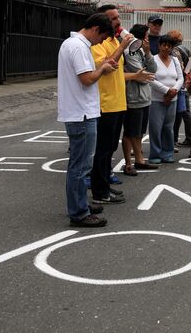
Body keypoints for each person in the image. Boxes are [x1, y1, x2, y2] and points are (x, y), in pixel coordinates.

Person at [57, 13, 115, 227]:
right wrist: (103, 68)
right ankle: (79, 212)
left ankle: (80, 204)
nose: (100, 42)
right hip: (81, 113)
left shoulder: (71, 44)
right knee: (81, 166)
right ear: (96, 29)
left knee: (79, 164)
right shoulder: (79, 47)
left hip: (79, 111)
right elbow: (87, 78)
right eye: (102, 38)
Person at [90, 5, 134, 205]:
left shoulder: (115, 41)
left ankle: (105, 185)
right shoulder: (98, 43)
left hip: (118, 103)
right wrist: (123, 46)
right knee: (103, 150)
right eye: (114, 18)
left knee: (109, 148)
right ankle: (99, 191)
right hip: (105, 104)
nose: (119, 22)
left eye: (118, 17)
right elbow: (106, 67)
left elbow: (118, 72)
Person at [121, 24, 157, 176]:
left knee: (140, 132)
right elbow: (142, 76)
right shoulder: (129, 51)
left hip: (145, 98)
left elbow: (153, 69)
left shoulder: (142, 50)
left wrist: (148, 52)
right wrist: (144, 75)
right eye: (147, 37)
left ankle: (138, 159)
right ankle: (130, 163)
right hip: (133, 98)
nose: (148, 39)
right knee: (130, 132)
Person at [148, 34, 184, 164]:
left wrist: (173, 91)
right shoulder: (153, 60)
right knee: (155, 128)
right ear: (159, 46)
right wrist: (167, 90)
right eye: (164, 45)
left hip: (172, 99)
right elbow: (150, 79)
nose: (166, 48)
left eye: (169, 45)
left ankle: (167, 153)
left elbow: (180, 78)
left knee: (168, 127)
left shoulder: (175, 60)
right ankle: (155, 154)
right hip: (156, 99)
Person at [168, 29, 191, 148]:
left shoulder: (175, 51)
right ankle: (189, 137)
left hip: (179, 83)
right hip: (185, 83)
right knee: (184, 112)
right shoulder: (185, 49)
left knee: (180, 112)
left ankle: (179, 138)